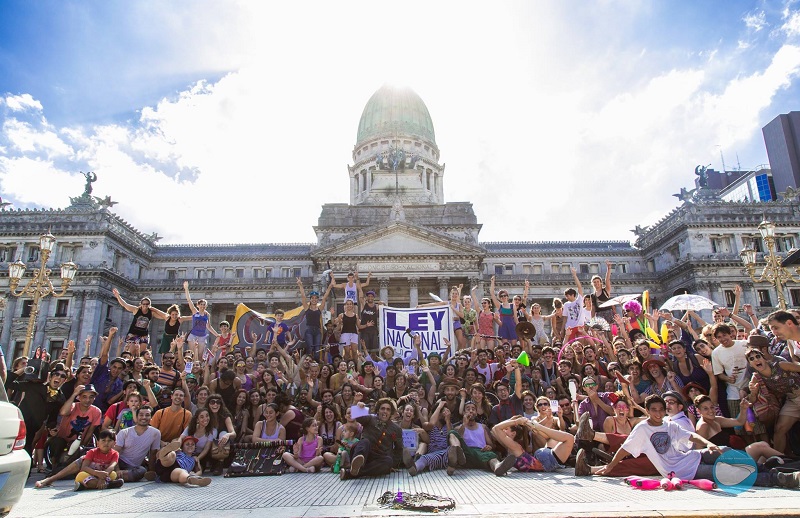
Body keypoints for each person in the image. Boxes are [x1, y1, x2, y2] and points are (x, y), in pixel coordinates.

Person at [578, 394, 800, 489]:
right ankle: (779, 478)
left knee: (723, 450)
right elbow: (624, 450)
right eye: (653, 410)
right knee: (731, 475)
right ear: (647, 411)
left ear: (665, 411)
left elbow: (691, 436)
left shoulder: (669, 424)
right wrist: (608, 467)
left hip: (692, 456)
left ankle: (765, 466)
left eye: (661, 410)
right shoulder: (642, 428)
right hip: (683, 471)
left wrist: (707, 443)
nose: (657, 413)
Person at [341, 398, 409, 480]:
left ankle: (353, 472)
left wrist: (392, 464)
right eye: (382, 408)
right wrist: (357, 404)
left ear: (391, 413)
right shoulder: (370, 419)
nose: (385, 411)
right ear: (378, 411)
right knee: (365, 442)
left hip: (377, 459)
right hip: (362, 452)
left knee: (388, 461)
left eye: (388, 409)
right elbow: (357, 416)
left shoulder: (396, 429)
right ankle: (356, 464)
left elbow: (399, 449)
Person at [491, 414, 574, 475]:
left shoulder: (513, 446)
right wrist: (515, 421)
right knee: (567, 438)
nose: (503, 431)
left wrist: (516, 421)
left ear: (513, 434)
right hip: (544, 460)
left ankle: (539, 427)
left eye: (505, 429)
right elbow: (495, 429)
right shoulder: (511, 445)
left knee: (568, 438)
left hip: (545, 461)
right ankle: (538, 427)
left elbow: (497, 428)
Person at [112, 289, 168, 356]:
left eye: (147, 304)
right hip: (133, 333)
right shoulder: (136, 310)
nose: (145, 305)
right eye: (144, 304)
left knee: (141, 353)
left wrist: (155, 309)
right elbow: (125, 305)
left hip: (144, 335)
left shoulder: (151, 313)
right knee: (131, 352)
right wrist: (118, 296)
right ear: (141, 304)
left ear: (149, 305)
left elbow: (165, 316)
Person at [297, 277, 333, 361]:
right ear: (310, 299)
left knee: (317, 351)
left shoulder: (319, 308)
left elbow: (324, 298)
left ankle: (316, 365)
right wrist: (300, 285)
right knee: (310, 349)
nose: (314, 300)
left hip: (317, 331)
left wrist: (330, 287)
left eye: (315, 298)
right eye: (312, 298)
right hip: (309, 330)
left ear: (317, 299)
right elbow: (303, 296)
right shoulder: (307, 308)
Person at [183, 281, 220, 356]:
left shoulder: (207, 315)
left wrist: (217, 335)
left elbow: (209, 327)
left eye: (204, 305)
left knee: (200, 356)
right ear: (198, 305)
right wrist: (186, 289)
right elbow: (189, 301)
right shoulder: (195, 312)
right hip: (193, 335)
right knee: (192, 354)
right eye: (201, 304)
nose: (203, 306)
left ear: (206, 306)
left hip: (202, 335)